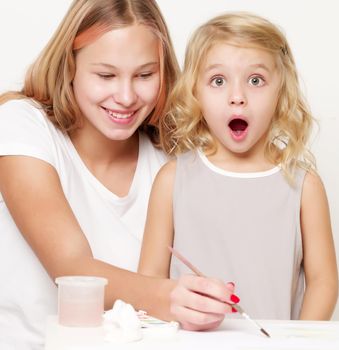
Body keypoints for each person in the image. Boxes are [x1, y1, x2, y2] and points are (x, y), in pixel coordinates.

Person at [0, 1, 234, 348]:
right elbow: (73, 268)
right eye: (106, 75)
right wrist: (173, 298)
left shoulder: (172, 161)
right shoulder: (21, 124)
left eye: (144, 75)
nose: (125, 97)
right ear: (70, 67)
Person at [138, 12, 339, 321]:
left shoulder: (304, 186)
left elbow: (323, 283)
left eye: (255, 80)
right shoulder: (172, 179)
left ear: (280, 92)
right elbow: (150, 279)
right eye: (218, 81)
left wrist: (300, 342)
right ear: (195, 92)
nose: (237, 98)